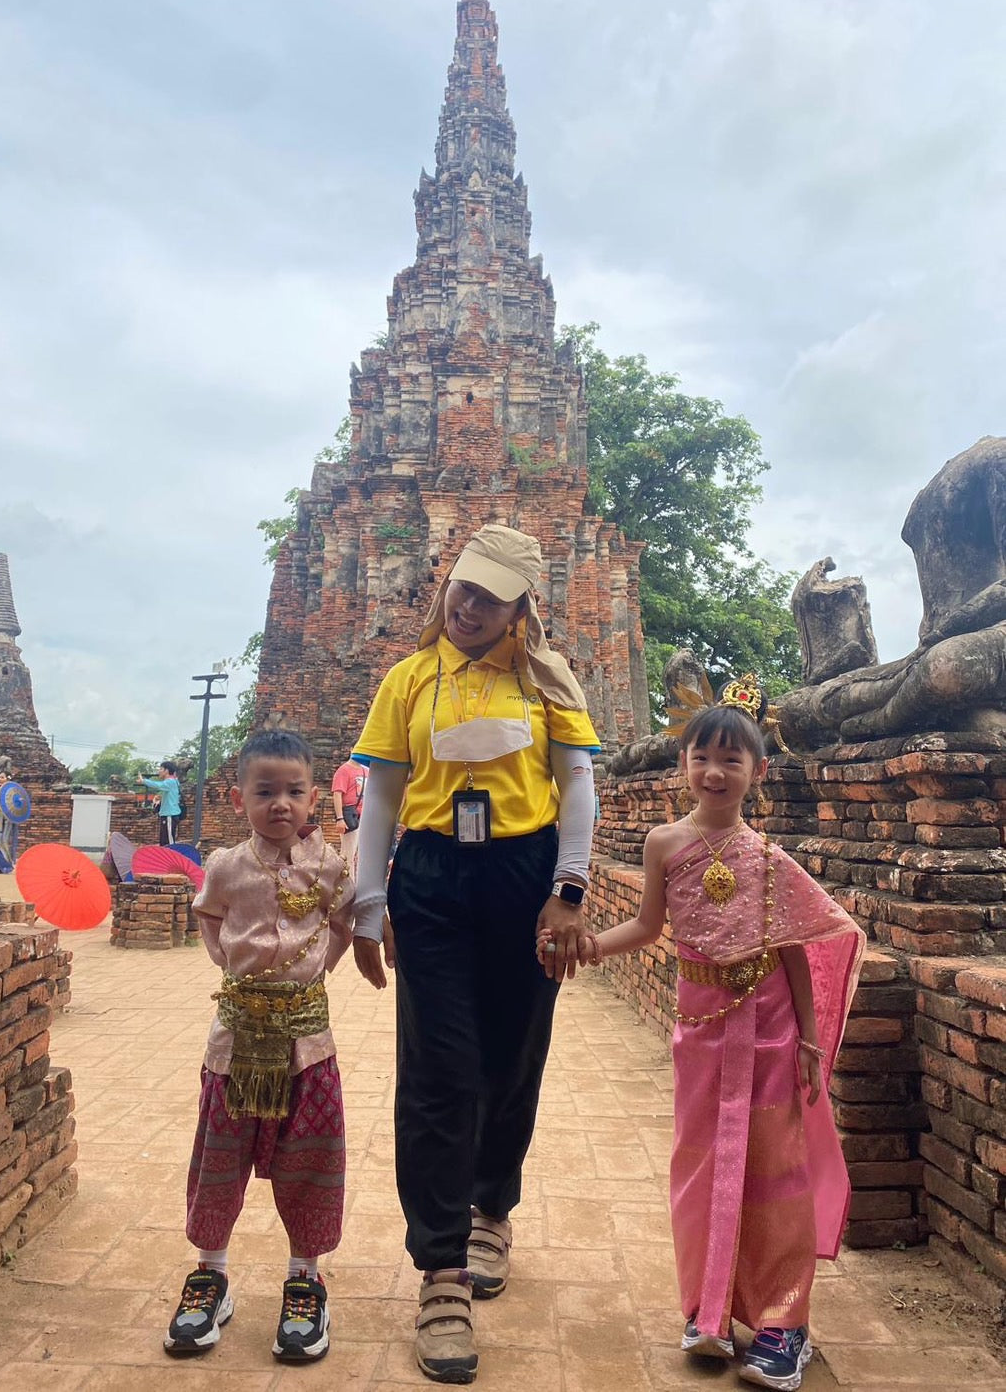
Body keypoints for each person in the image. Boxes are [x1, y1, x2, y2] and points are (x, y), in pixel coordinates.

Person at [550, 677, 863, 1392]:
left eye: (732, 758)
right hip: (700, 1025)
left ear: (758, 771)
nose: (715, 772)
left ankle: (786, 1325)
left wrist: (812, 1039)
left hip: (772, 1025)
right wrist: (588, 945)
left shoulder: (769, 858)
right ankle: (709, 1307)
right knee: (699, 1162)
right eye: (702, 756)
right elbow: (649, 926)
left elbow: (800, 942)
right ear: (683, 764)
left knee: (773, 1167)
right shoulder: (664, 843)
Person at [350, 523, 599, 1385]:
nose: (469, 605)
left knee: (512, 1054)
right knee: (439, 1070)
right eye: (462, 587)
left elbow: (577, 784)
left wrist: (569, 890)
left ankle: (494, 1204)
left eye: (490, 595)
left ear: (520, 607)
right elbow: (380, 796)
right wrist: (369, 902)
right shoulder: (409, 679)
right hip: (429, 877)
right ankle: (442, 1270)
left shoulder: (547, 681)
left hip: (523, 876)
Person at [163, 729, 355, 1364]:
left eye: (294, 792)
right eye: (265, 791)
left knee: (311, 1159)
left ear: (313, 798)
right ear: (238, 796)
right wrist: (241, 976)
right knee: (220, 1156)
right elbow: (208, 918)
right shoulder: (225, 866)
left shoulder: (329, 867)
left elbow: (344, 921)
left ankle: (306, 1279)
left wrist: (314, 971)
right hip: (235, 1045)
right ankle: (209, 1274)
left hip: (308, 1044)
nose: (281, 804)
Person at [330, 755, 365, 874]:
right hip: (351, 817)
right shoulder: (344, 770)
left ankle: (357, 887)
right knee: (348, 856)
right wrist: (340, 818)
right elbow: (337, 794)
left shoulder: (365, 770)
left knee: (361, 857)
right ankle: (347, 888)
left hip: (365, 817)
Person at [138, 761, 182, 845]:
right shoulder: (173, 782)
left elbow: (158, 785)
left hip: (170, 815)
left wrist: (144, 781)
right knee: (164, 841)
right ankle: (165, 857)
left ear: (166, 771)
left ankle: (171, 857)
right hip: (167, 814)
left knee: (169, 842)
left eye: (161, 769)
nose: (159, 771)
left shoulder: (170, 782)